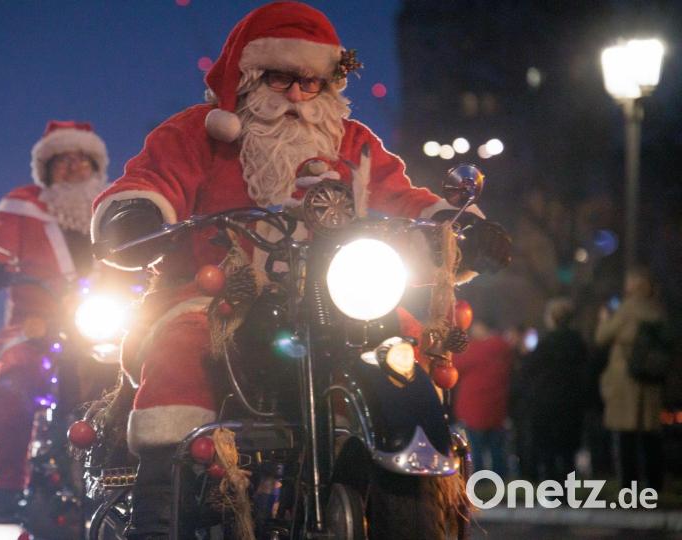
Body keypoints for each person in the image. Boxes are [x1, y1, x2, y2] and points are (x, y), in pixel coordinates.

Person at [90, 2, 511, 536]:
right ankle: (158, 516)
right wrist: (136, 213)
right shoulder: (200, 132)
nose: (294, 95)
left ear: (327, 85)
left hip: (332, 296)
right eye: (279, 78)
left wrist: (459, 229)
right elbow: (153, 178)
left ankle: (406, 478)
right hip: (221, 295)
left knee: (402, 349)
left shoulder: (349, 140)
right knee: (180, 350)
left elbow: (401, 195)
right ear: (246, 77)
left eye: (309, 83)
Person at [0, 120, 110, 525]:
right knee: (13, 378)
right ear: (45, 169)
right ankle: (4, 489)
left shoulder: (113, 207)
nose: (72, 168)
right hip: (36, 325)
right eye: (61, 160)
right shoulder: (21, 204)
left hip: (106, 324)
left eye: (82, 160)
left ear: (96, 167)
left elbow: (139, 254)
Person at [595, 266, 666, 490]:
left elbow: (602, 337)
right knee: (650, 436)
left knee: (626, 436)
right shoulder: (658, 309)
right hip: (651, 380)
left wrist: (604, 319)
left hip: (626, 379)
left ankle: (629, 486)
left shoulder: (627, 309)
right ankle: (654, 484)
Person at [526, 298, 589, 481]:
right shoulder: (579, 343)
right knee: (568, 450)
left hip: (548, 402)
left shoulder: (546, 343)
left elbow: (530, 369)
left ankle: (552, 487)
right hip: (572, 401)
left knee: (549, 449)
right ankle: (568, 487)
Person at [452, 319, 513, 477]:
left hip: (474, 409)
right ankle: (501, 479)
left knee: (475, 450)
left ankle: (479, 480)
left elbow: (455, 364)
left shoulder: (475, 349)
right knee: (497, 449)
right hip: (497, 409)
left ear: (483, 328)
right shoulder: (504, 349)